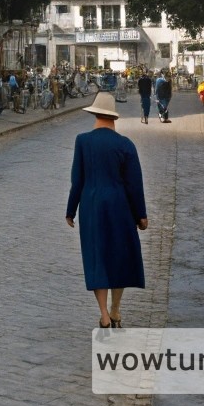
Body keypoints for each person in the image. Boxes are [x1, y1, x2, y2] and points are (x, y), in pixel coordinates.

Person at [66, 92, 148, 331]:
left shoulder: (82, 141)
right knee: (118, 257)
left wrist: (71, 210)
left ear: (94, 114)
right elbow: (135, 184)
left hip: (91, 206)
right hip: (119, 206)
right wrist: (140, 215)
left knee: (97, 258)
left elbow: (77, 180)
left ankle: (103, 314)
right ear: (114, 118)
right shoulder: (125, 144)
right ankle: (116, 308)